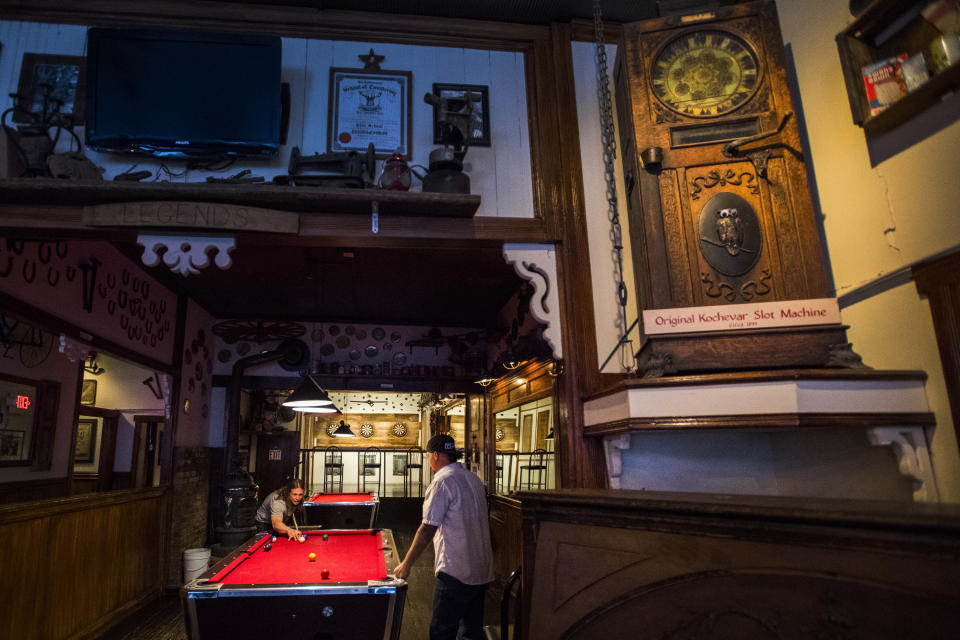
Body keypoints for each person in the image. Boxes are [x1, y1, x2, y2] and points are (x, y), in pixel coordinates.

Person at [394, 434, 494, 640]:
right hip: (481, 569)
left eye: (428, 455)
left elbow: (427, 529)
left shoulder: (442, 482)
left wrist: (406, 564)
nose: (429, 459)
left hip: (455, 570)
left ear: (436, 455)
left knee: (441, 632)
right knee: (472, 631)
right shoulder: (473, 479)